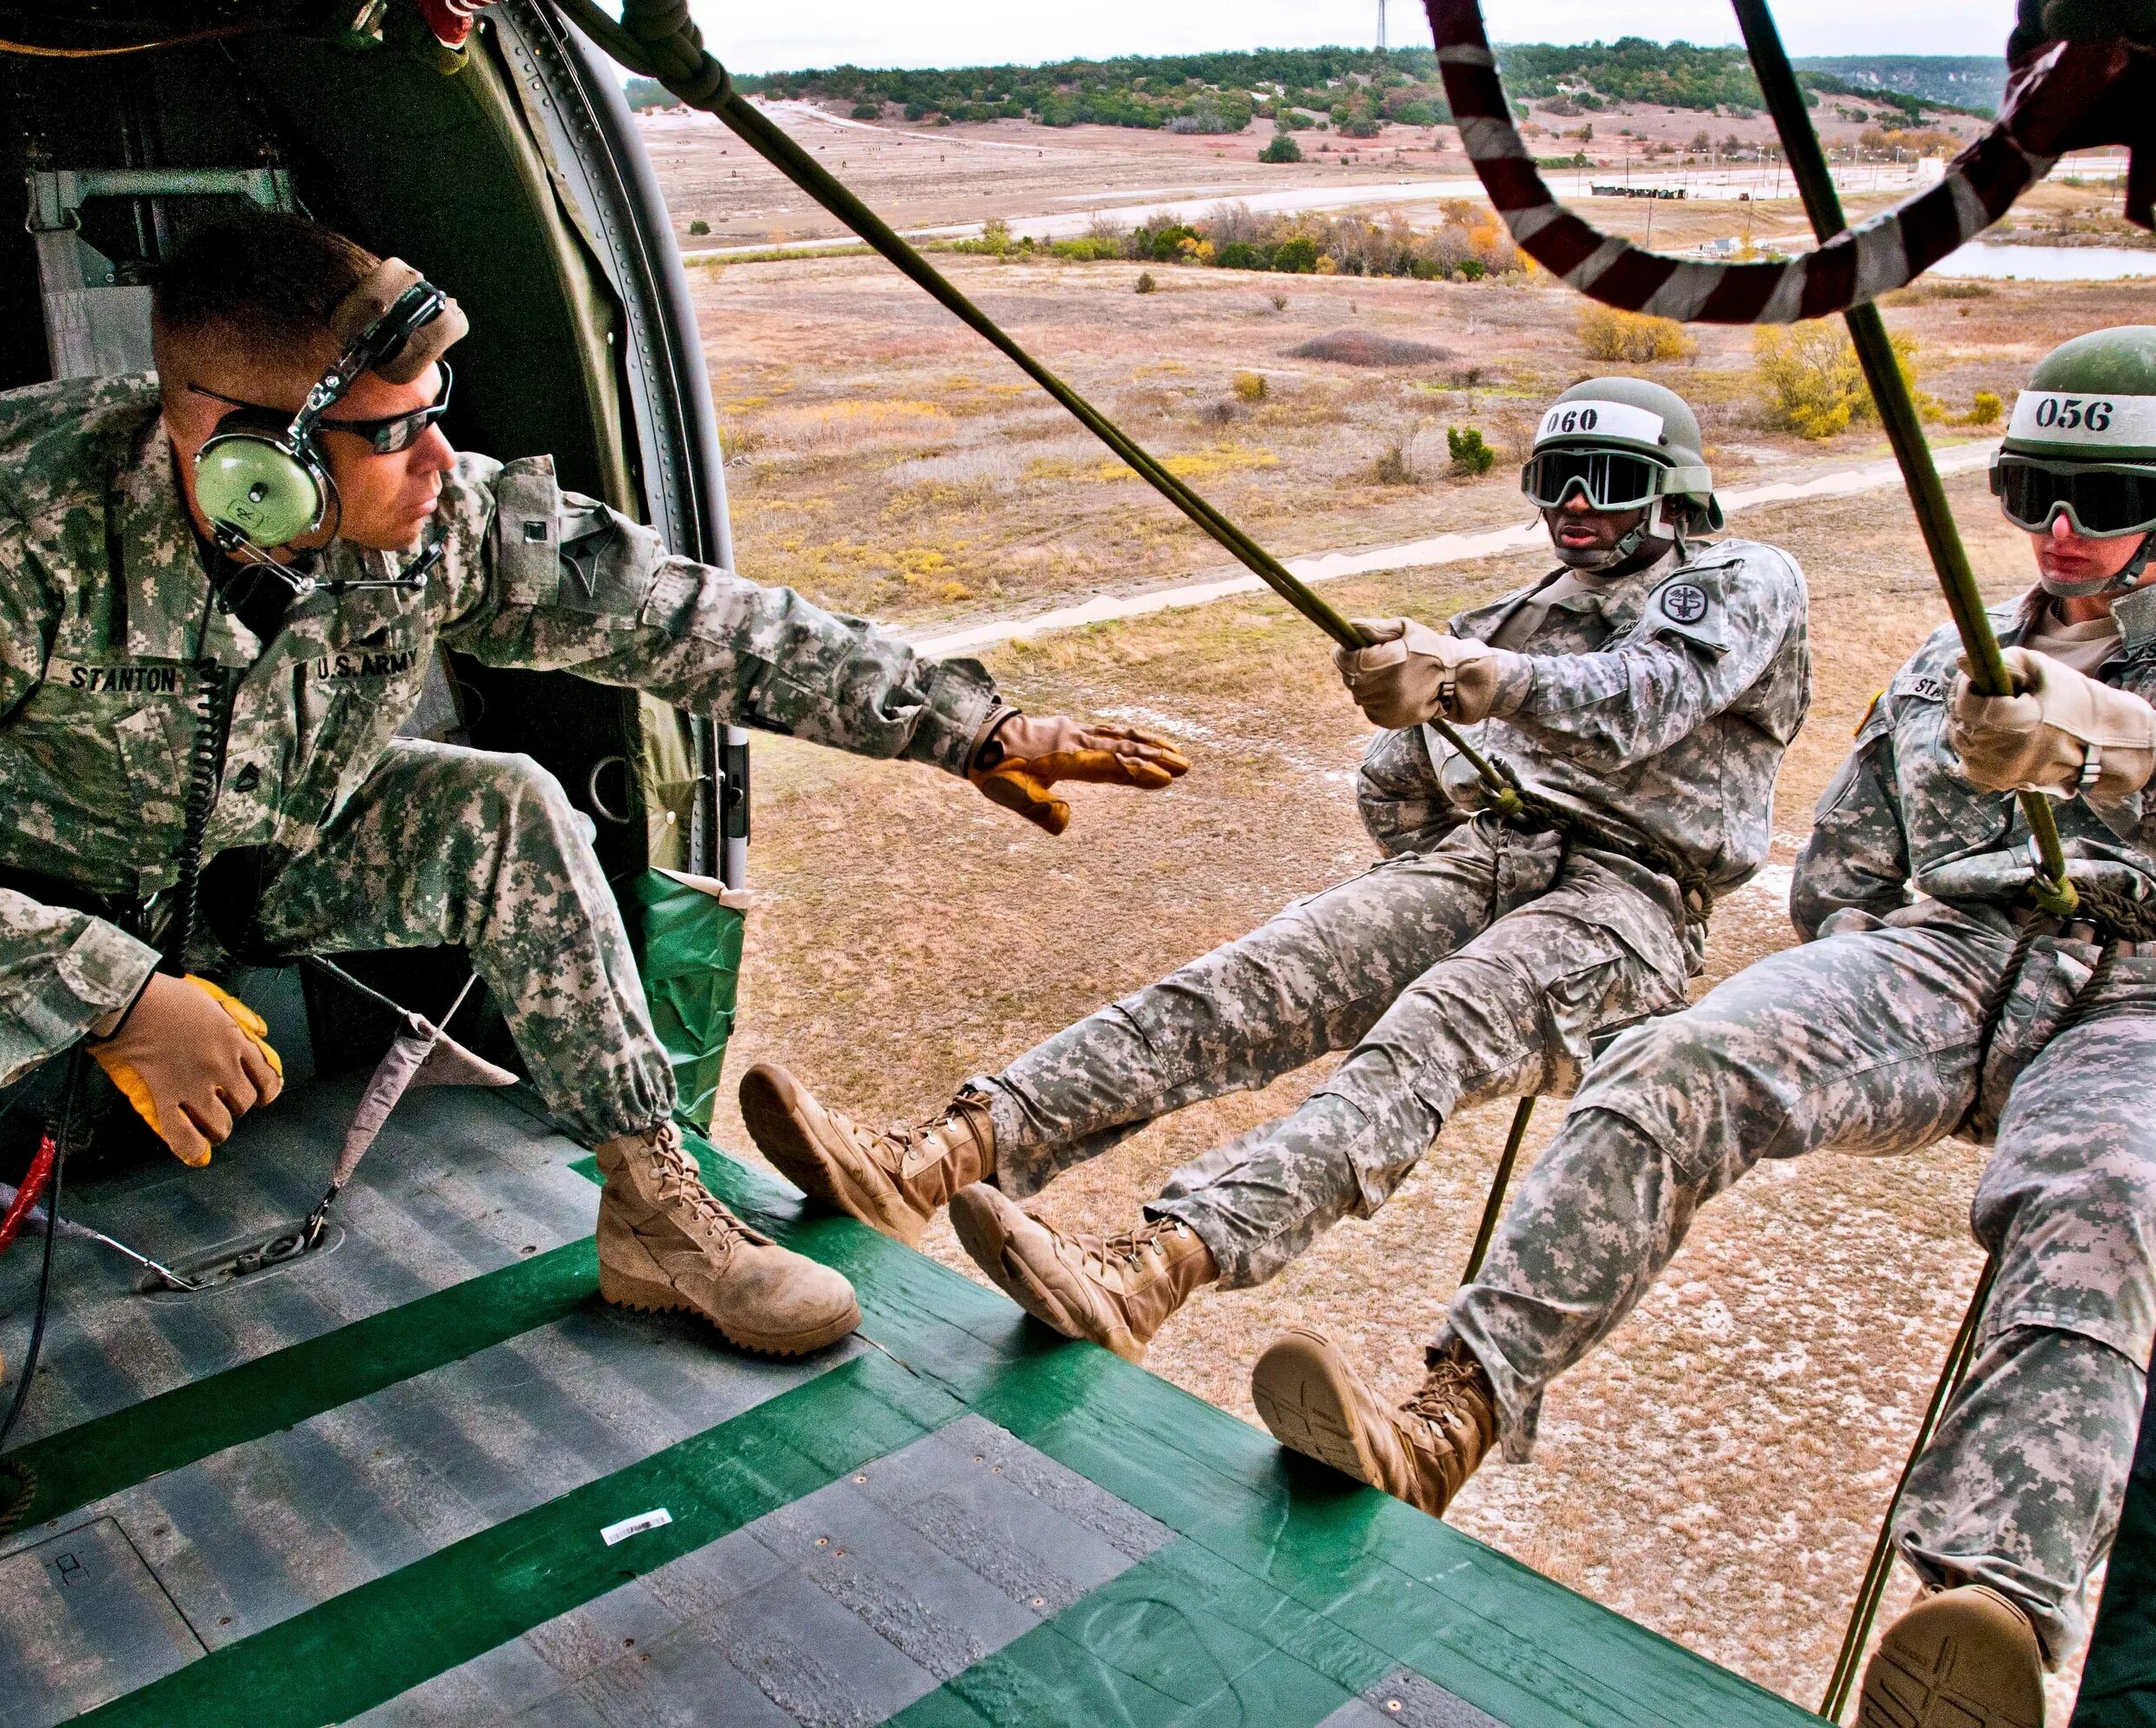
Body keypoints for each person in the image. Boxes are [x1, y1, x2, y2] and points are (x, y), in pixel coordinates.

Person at [0, 212, 1187, 1567]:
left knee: (507, 810)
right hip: (17, 900)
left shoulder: (432, 515)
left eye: (432, 409)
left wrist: (964, 726)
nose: (438, 460)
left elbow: (674, 612)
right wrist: (113, 994)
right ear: (245, 466)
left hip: (275, 857)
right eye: (394, 431)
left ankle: (651, 1204)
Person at [1246, 327, 2156, 1728]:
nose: (2065, 532)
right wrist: (1853, 980)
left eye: (2109, 501)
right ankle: (1447, 1419)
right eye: (2036, 495)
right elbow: (1845, 861)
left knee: (2113, 1201)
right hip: (1949, 955)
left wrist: (2102, 741)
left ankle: (1981, 1625)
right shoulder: (1945, 662)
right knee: (1676, 1058)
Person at [741, 378, 1809, 1368]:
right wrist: (1416, 761)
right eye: (1553, 483)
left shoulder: (1744, 581)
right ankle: (942, 1151)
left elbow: (1646, 696)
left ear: (1676, 496)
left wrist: (1474, 679)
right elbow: (1397, 782)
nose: (1574, 507)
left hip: (1631, 898)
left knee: (1427, 1035)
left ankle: (1156, 1264)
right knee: (1254, 977)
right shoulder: (1527, 608)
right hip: (1488, 853)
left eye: (1609, 483)